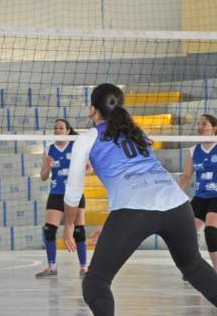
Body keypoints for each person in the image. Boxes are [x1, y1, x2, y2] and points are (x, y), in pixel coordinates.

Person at [63, 83, 217, 315]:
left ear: (92, 109)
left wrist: (68, 224)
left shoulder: (88, 138)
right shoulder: (137, 132)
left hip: (133, 213)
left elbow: (74, 191)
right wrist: (109, 225)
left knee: (96, 281)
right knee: (194, 267)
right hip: (177, 206)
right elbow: (141, 184)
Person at [36, 119, 88, 278]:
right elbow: (43, 176)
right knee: (49, 230)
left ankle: (83, 267)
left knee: (79, 231)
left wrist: (80, 168)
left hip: (75, 193)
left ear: (68, 131)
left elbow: (90, 168)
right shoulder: (49, 149)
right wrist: (48, 167)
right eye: (56, 128)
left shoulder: (76, 147)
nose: (58, 130)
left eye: (61, 128)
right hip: (56, 193)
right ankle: (52, 267)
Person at [180, 114, 217, 270]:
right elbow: (187, 176)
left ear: (214, 129)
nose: (200, 127)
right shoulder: (194, 150)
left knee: (210, 229)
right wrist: (175, 194)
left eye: (204, 124)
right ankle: (193, 266)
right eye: (198, 123)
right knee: (186, 232)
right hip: (201, 197)